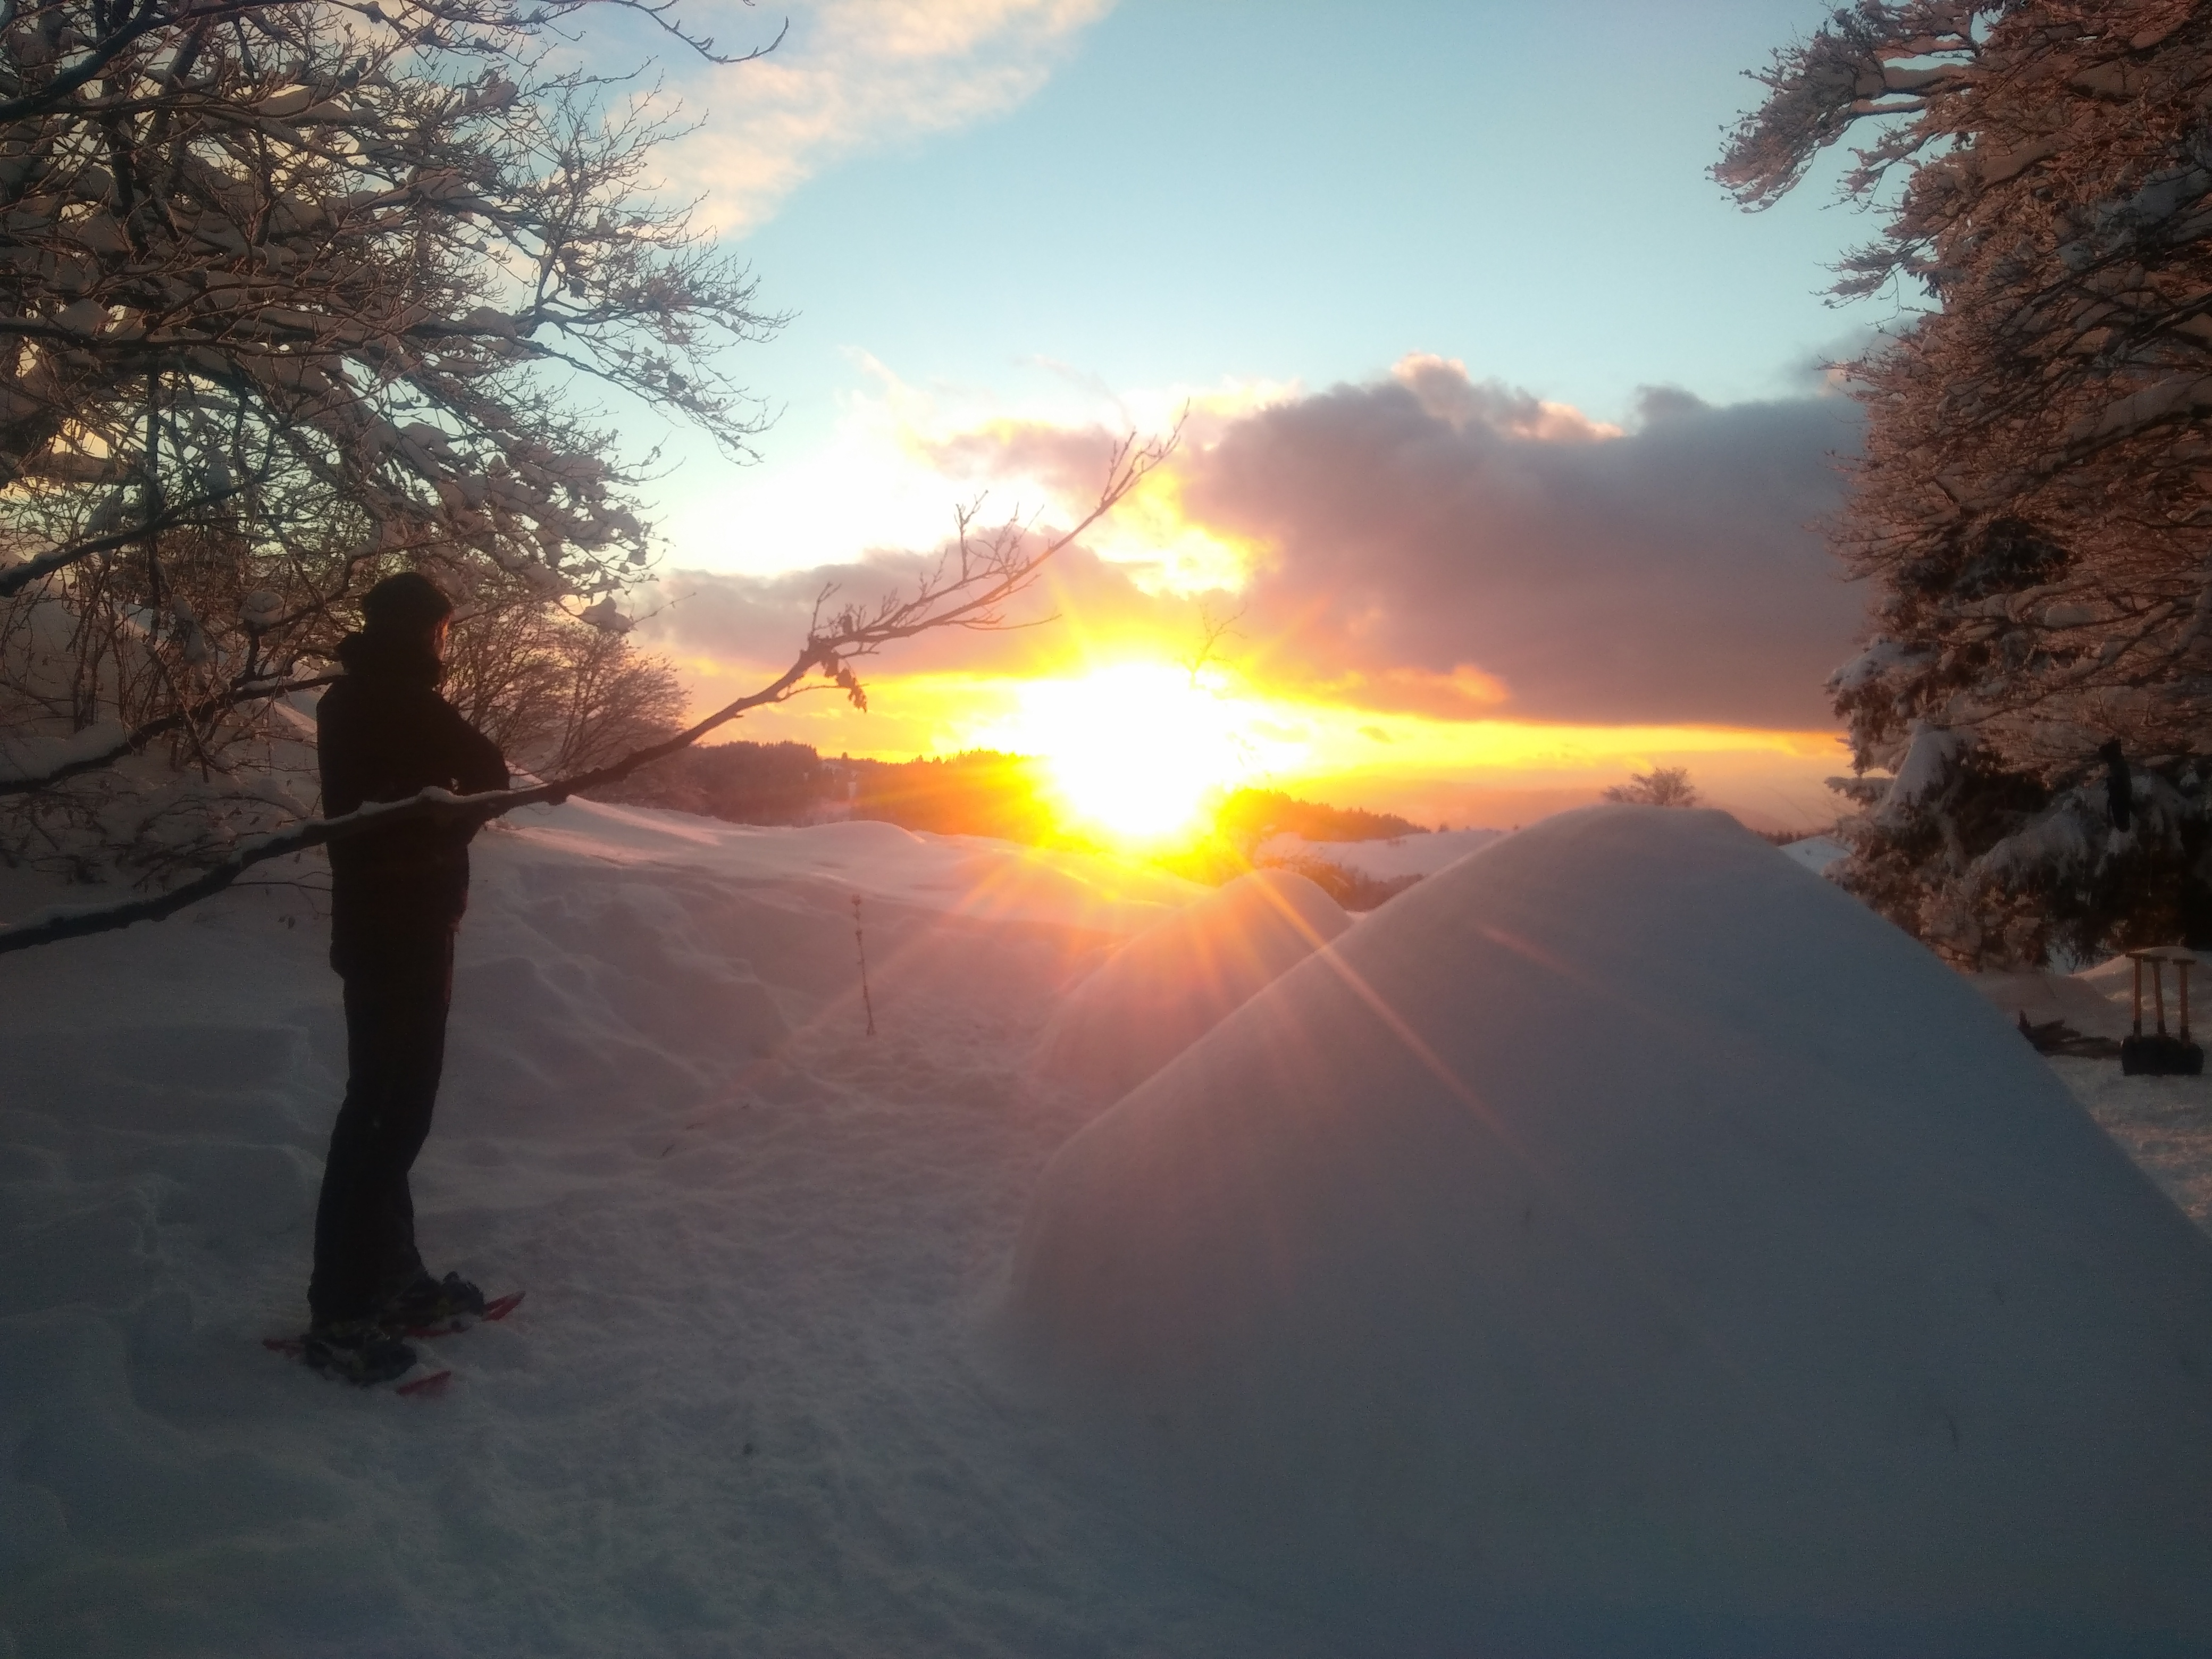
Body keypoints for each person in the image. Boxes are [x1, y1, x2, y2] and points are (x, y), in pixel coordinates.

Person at [305, 572, 508, 1384]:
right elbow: (486, 773)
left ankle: (389, 1281)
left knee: (389, 1113)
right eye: (439, 631)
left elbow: (468, 781)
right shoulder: (392, 702)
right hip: (401, 933)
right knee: (384, 1119)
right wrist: (452, 805)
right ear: (418, 632)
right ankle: (343, 1313)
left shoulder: (356, 700)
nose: (442, 645)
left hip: (396, 930)